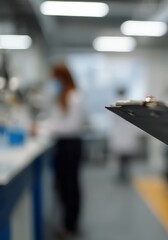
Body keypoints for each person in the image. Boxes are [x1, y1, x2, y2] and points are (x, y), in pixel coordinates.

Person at [48, 64, 86, 238]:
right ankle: (67, 222)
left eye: (55, 78)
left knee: (71, 187)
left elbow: (71, 126)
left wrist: (47, 129)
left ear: (62, 77)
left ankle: (71, 225)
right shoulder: (62, 96)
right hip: (62, 145)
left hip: (71, 145)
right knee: (63, 186)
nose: (53, 82)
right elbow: (57, 121)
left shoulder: (74, 97)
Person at [108, 87, 142, 182]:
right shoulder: (130, 103)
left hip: (122, 134)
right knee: (126, 157)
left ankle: (123, 173)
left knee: (122, 157)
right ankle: (124, 173)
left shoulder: (114, 103)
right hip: (125, 134)